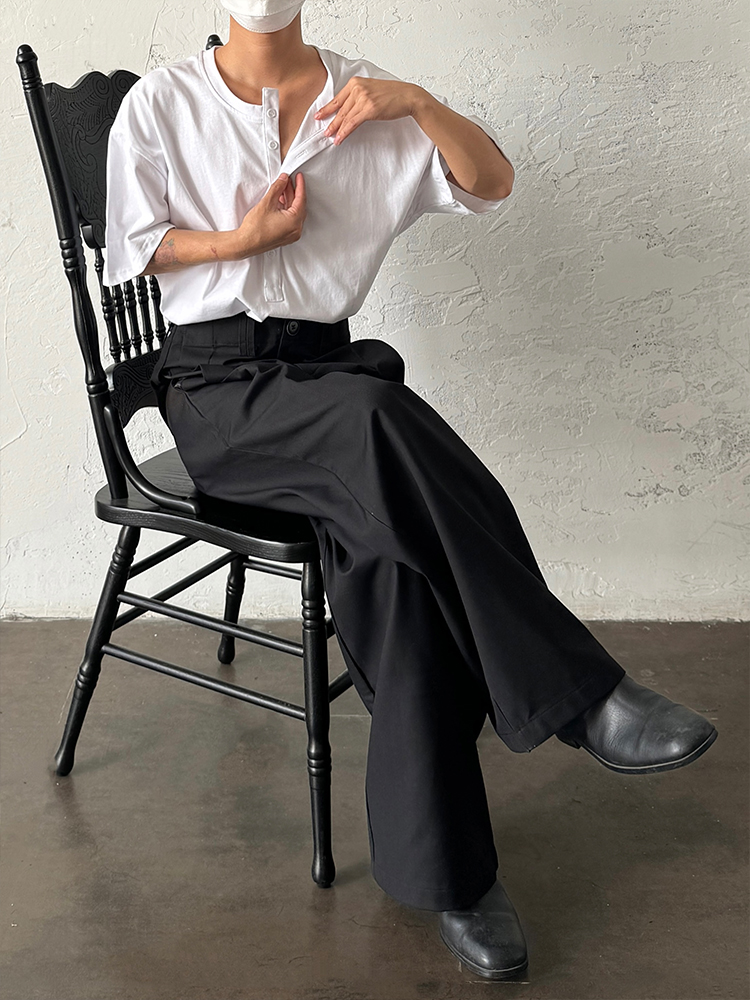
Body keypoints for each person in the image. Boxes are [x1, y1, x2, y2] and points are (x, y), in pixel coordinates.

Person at [102, 0, 718, 981]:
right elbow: (131, 249)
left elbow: (492, 180)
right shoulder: (164, 102)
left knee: (393, 567)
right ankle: (583, 697)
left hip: (327, 380)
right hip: (220, 393)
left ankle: (453, 876)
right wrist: (241, 242)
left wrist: (418, 101)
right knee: (379, 417)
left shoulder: (363, 98)